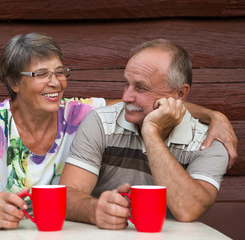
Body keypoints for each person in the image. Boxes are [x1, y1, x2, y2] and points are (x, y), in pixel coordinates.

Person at [0, 33, 236, 230]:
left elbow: (145, 105)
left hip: (54, 231)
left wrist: (213, 115)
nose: (55, 82)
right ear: (14, 83)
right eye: (40, 74)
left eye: (60, 71)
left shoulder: (79, 112)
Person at [59, 39, 232, 230]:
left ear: (180, 94)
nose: (126, 97)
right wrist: (94, 209)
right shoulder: (101, 122)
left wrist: (151, 133)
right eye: (126, 84)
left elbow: (188, 209)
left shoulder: (208, 141)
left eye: (140, 87)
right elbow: (66, 196)